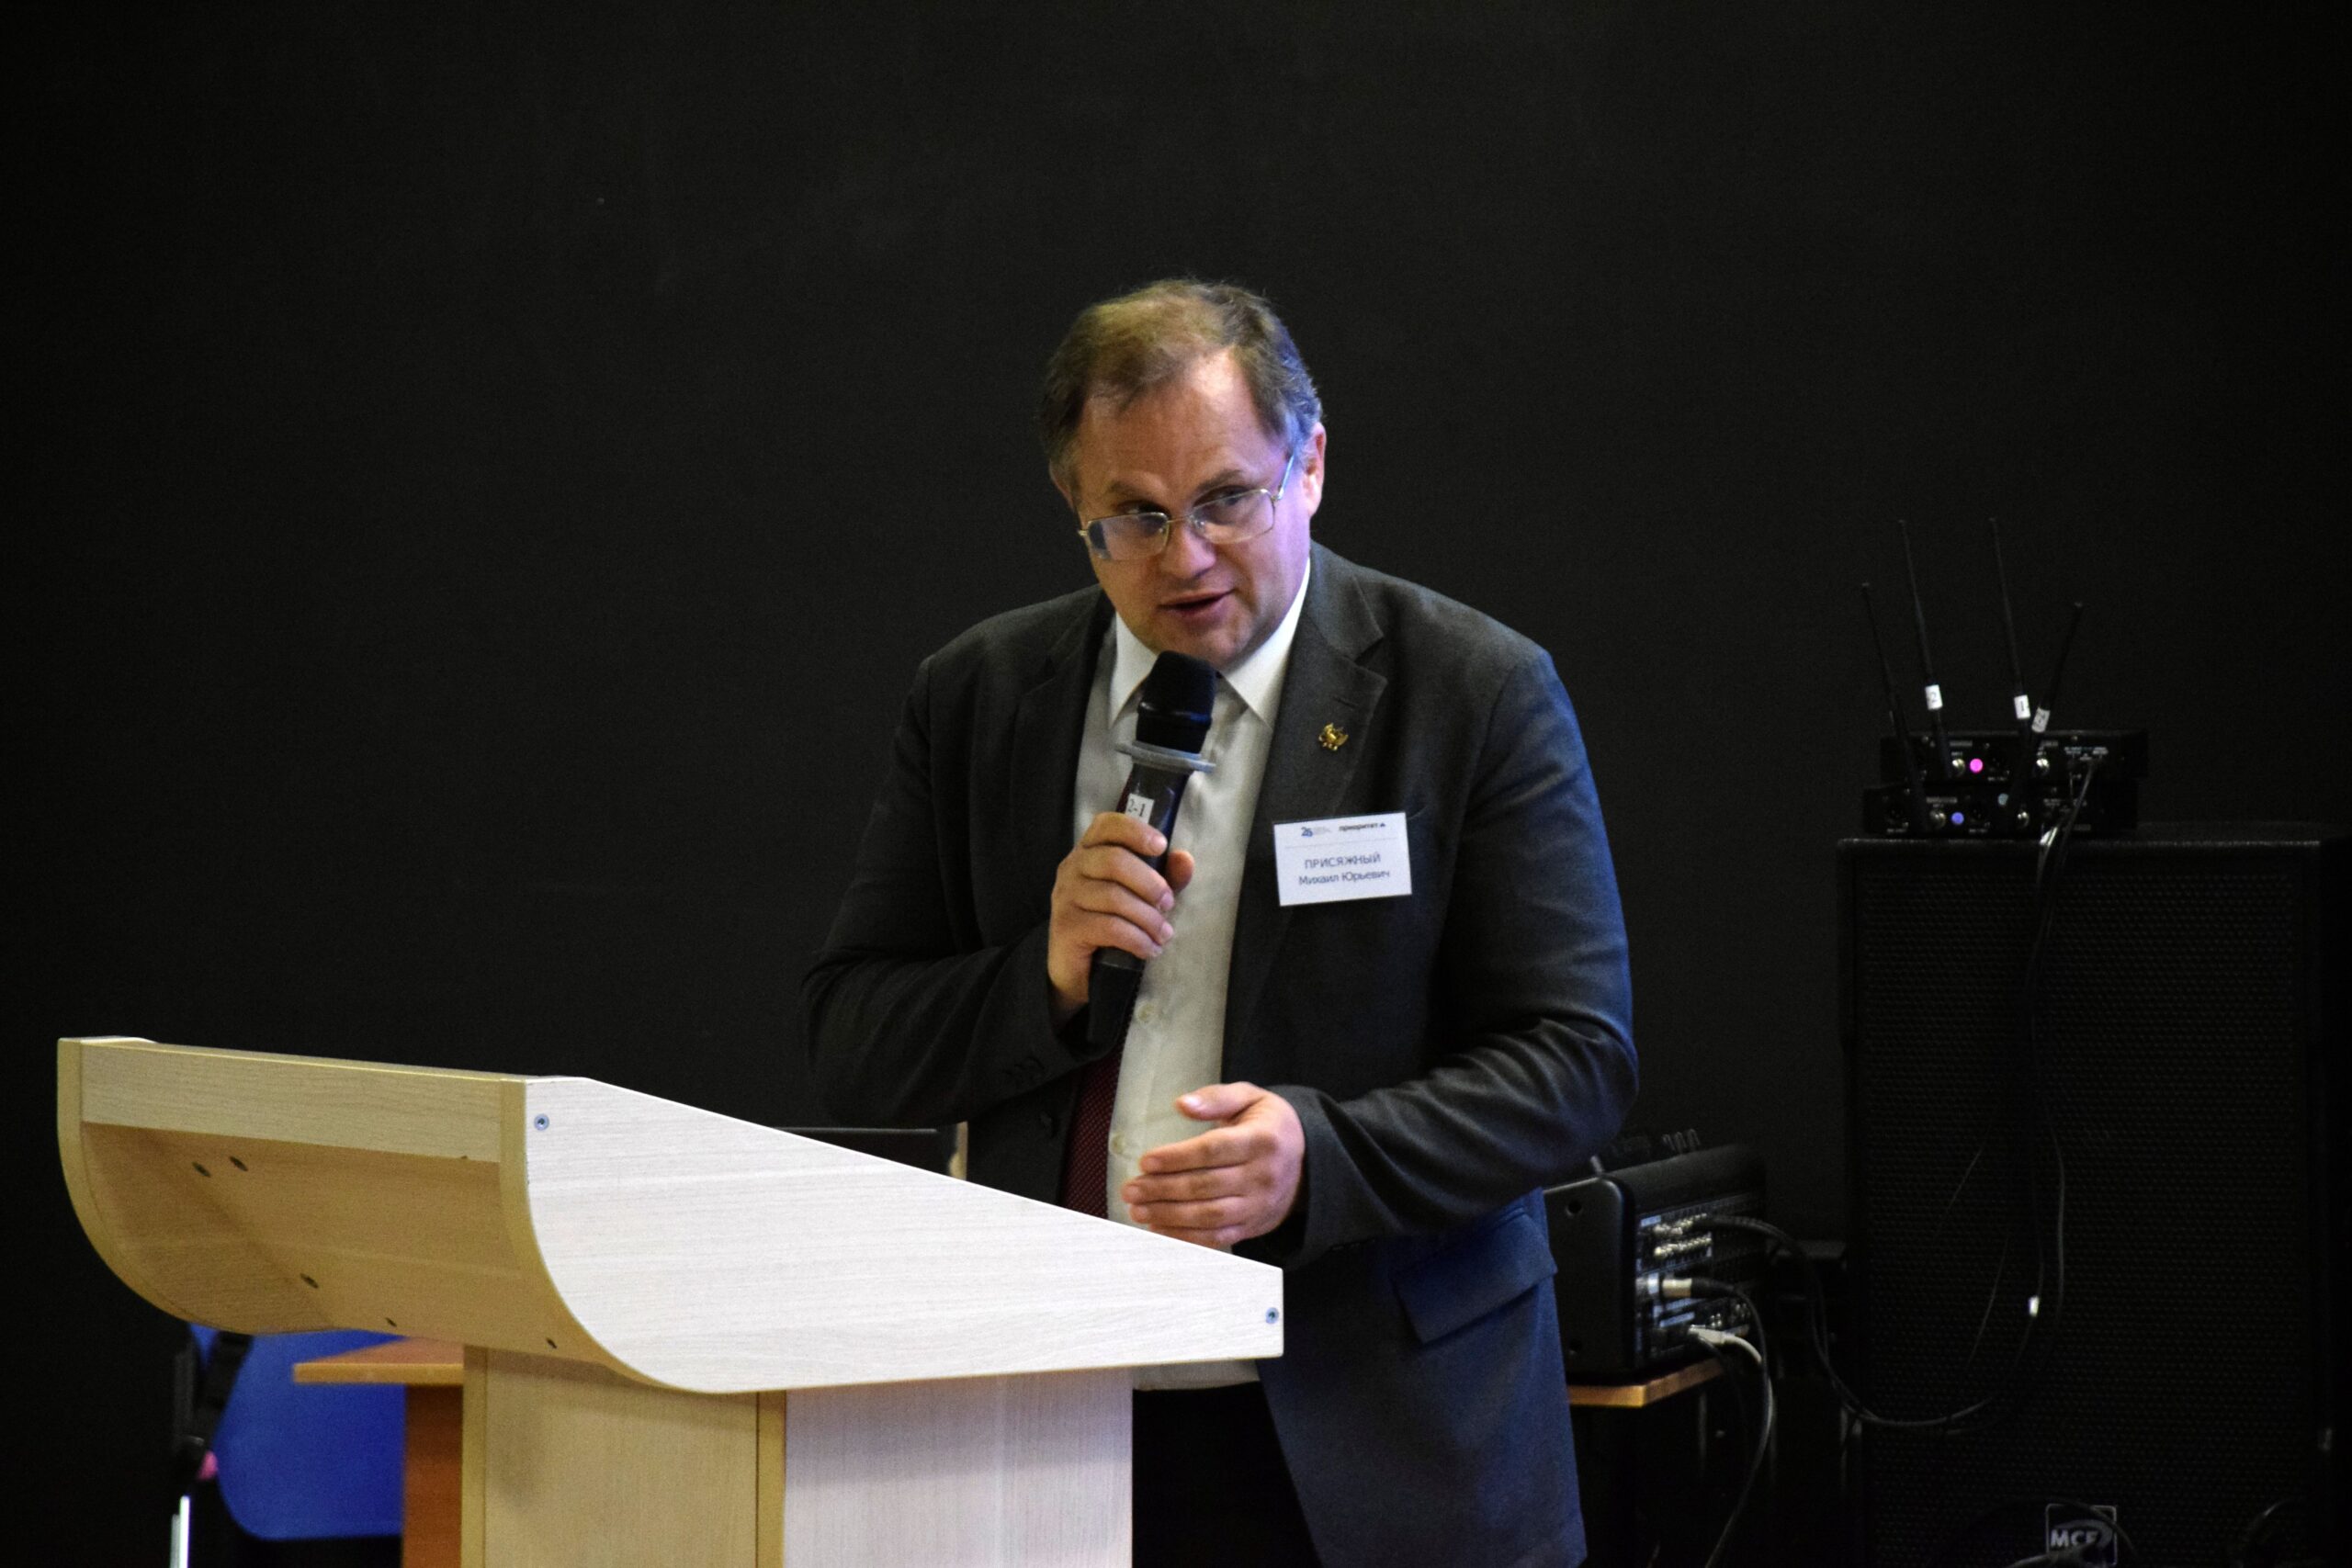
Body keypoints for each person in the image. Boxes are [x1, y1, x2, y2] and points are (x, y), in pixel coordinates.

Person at [803, 279, 1635, 1567]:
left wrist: (1322, 1157)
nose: (1183, 557)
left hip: (1380, 1443)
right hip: (1054, 1429)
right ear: (1075, 509)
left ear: (1311, 468)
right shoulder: (980, 697)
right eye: (1135, 516)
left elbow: (1575, 1063)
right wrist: (1045, 979)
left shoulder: (1471, 692)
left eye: (1226, 500)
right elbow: (851, 1036)